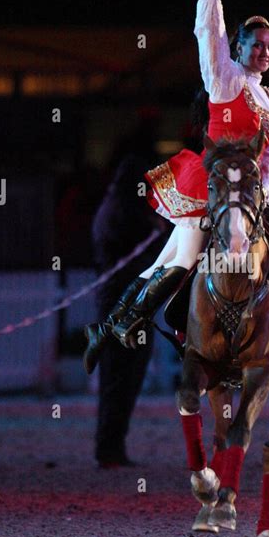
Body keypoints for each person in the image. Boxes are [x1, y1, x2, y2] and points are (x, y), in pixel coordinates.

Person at [83, 0, 269, 369]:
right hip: (209, 184)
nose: (265, 51)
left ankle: (105, 329)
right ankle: (126, 325)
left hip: (247, 195)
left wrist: (264, 193)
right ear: (239, 46)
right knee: (182, 259)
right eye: (257, 45)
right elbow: (208, 32)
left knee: (165, 260)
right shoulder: (225, 77)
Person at [90, 114, 170, 467]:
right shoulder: (126, 211)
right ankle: (109, 447)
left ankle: (111, 446)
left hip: (125, 302)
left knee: (122, 375)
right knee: (122, 374)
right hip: (124, 304)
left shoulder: (113, 208)